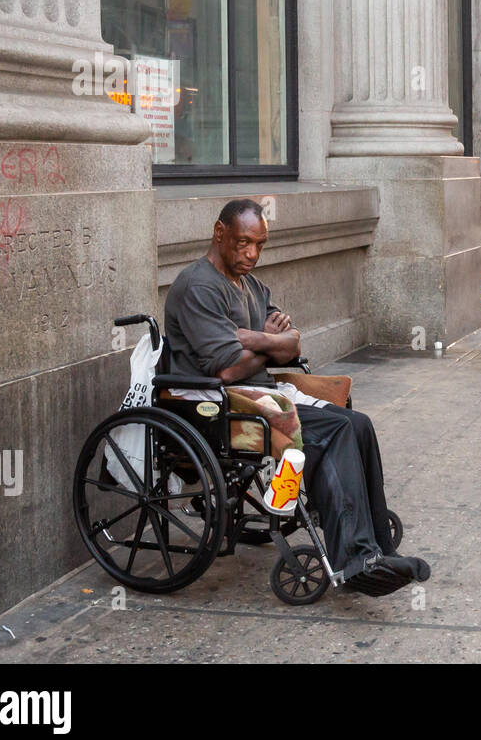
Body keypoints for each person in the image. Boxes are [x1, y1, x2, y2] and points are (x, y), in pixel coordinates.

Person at [164, 199, 430, 593]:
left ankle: (377, 547)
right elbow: (226, 368)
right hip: (218, 405)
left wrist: (260, 340)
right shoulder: (198, 285)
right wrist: (273, 341)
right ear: (219, 234)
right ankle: (355, 560)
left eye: (259, 244)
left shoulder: (252, 286)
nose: (252, 254)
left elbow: (292, 347)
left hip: (259, 393)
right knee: (335, 430)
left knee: (358, 424)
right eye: (242, 243)